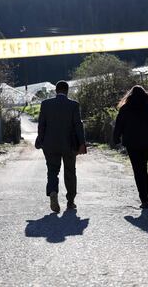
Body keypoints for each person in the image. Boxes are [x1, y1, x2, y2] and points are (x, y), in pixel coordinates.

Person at [35, 80, 86, 213]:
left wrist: (40, 140)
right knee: (70, 171)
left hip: (50, 145)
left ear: (56, 91)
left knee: (52, 171)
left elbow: (41, 125)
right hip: (69, 145)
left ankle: (53, 192)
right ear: (67, 91)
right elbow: (78, 125)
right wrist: (82, 143)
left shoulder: (46, 104)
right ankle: (70, 201)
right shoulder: (73, 105)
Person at [113, 85, 148, 209]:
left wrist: (116, 138)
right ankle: (145, 198)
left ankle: (143, 199)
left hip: (131, 142)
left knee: (137, 169)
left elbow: (119, 124)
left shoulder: (125, 108)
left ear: (130, 95)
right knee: (143, 167)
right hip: (146, 141)